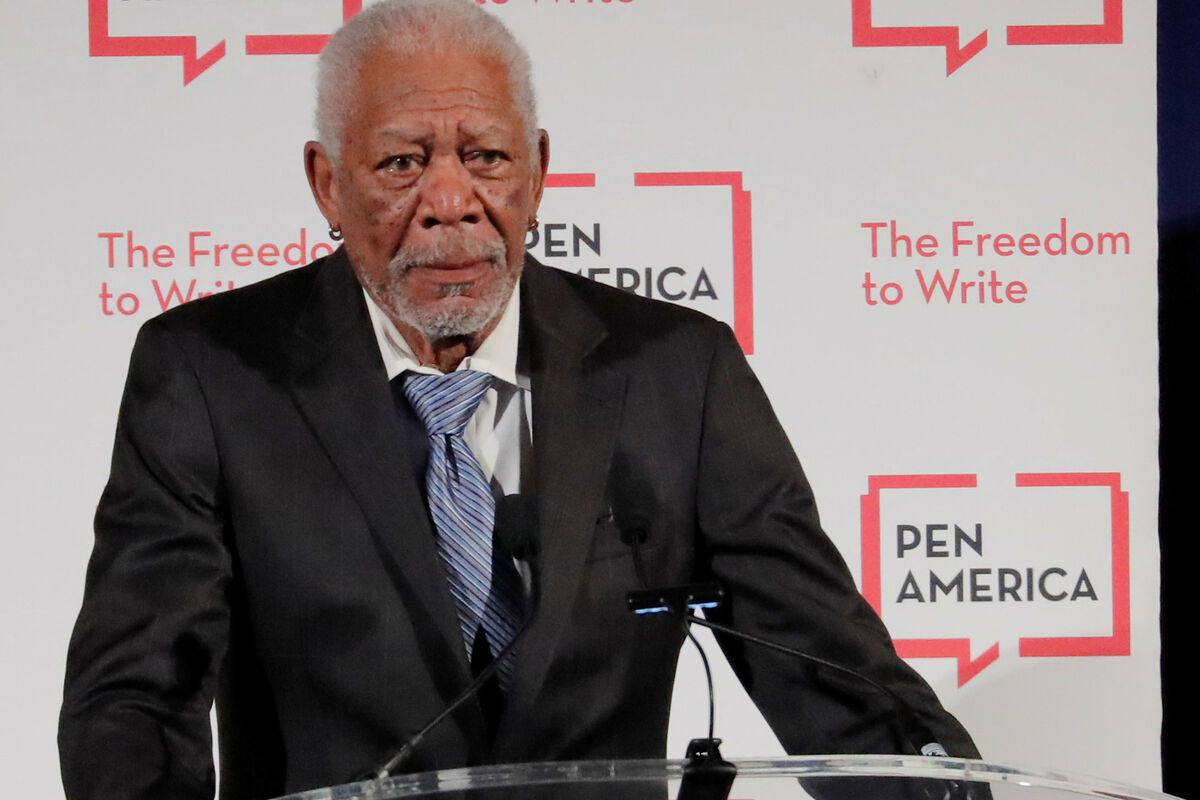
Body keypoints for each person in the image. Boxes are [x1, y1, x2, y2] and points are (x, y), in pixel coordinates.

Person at [59, 1, 980, 798]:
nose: (450, 200)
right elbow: (137, 699)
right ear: (327, 183)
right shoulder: (211, 375)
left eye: (485, 157)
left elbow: (829, 670)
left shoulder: (676, 374)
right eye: (402, 163)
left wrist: (945, 787)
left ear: (537, 171)